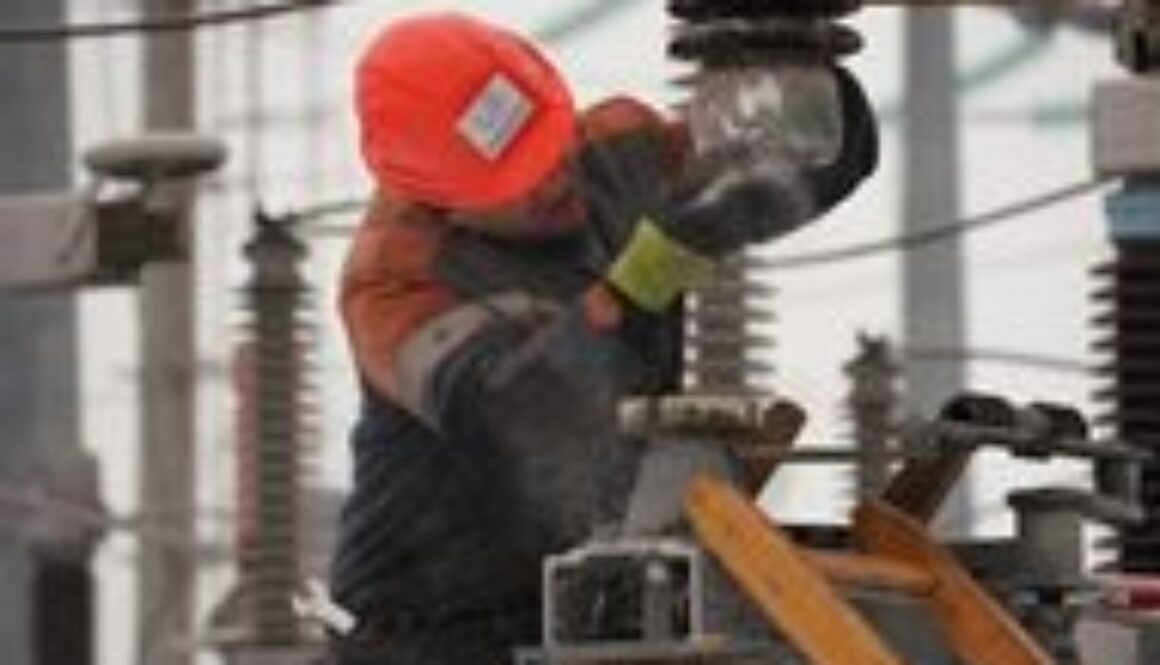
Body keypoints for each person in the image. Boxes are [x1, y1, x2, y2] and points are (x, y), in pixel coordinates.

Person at [328, 10, 877, 664]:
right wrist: (643, 278)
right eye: (520, 182)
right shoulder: (398, 285)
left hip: (610, 594)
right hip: (436, 635)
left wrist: (789, 62)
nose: (556, 181)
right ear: (442, 201)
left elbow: (800, 164)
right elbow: (524, 413)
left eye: (554, 147)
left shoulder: (619, 153)